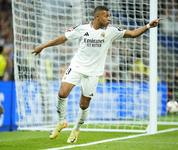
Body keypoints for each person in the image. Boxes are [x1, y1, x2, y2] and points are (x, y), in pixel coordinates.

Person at [31, 6, 164, 143]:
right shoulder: (82, 28)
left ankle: (76, 129)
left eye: (109, 16)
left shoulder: (111, 31)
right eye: (106, 16)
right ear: (97, 17)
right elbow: (64, 38)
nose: (109, 19)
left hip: (94, 72)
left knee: (83, 105)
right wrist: (43, 46)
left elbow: (132, 33)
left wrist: (148, 26)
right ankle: (61, 122)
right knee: (62, 93)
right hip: (77, 66)